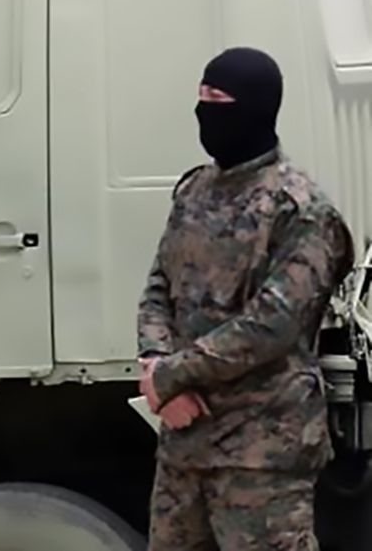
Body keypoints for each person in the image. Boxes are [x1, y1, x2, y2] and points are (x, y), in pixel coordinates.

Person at [136, 46, 355, 551]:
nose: (202, 110)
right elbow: (157, 289)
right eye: (200, 97)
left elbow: (272, 325)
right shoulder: (193, 191)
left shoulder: (301, 210)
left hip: (262, 454)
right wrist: (156, 364)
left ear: (254, 107)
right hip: (185, 448)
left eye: (217, 98)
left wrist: (171, 376)